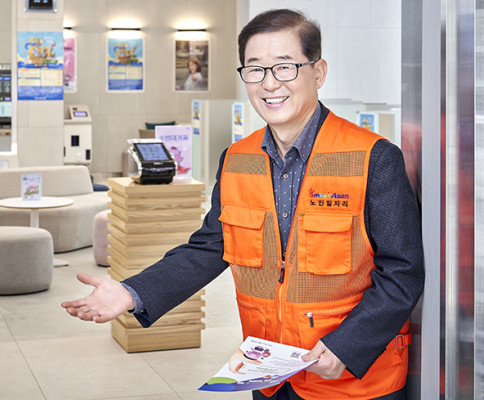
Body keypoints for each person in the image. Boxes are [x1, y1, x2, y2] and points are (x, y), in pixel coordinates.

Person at [62, 8, 424, 400]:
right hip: (270, 376)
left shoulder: (372, 158)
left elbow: (402, 271)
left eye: (284, 66)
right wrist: (132, 293)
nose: (269, 83)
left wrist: (348, 347)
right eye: (255, 69)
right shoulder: (237, 160)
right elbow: (210, 247)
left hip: (354, 379)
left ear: (318, 72)